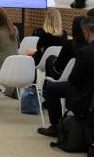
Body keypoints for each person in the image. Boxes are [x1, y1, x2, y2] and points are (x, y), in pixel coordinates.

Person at [37, 17, 94, 147]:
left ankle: (55, 126)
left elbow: (73, 79)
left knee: (52, 88)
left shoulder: (85, 52)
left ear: (87, 32)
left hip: (85, 93)